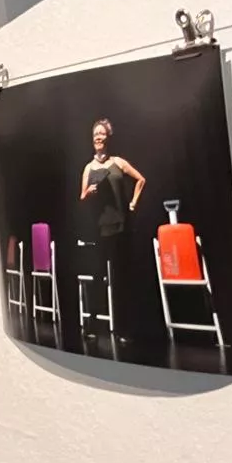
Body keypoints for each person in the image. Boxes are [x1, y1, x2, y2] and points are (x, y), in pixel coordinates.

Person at [78, 117, 146, 338]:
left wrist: (133, 203)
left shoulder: (118, 162)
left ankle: (124, 328)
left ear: (108, 137)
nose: (98, 137)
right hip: (99, 228)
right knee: (98, 276)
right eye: (95, 134)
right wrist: (89, 193)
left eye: (101, 133)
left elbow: (141, 180)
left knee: (121, 278)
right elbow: (81, 197)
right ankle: (92, 326)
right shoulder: (89, 168)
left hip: (120, 227)